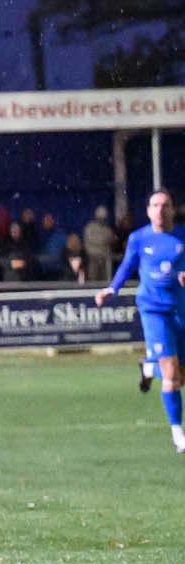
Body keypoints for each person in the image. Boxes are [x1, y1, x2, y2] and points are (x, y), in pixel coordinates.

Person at [96, 188, 185, 448]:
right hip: (153, 309)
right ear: (148, 211)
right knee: (170, 373)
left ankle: (148, 367)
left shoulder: (182, 236)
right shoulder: (138, 238)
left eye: (165, 205)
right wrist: (112, 288)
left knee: (179, 374)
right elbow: (127, 265)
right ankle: (178, 433)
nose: (159, 209)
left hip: (180, 309)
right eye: (154, 205)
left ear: (172, 209)